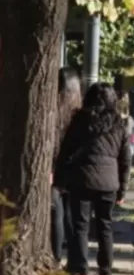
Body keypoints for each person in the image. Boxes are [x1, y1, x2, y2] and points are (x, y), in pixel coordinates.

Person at [55, 82, 131, 275]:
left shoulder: (80, 120)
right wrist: (122, 189)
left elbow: (66, 150)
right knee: (105, 227)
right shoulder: (119, 124)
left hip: (82, 179)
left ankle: (81, 272)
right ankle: (105, 274)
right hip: (109, 182)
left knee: (80, 226)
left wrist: (60, 179)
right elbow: (125, 160)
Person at [51, 68, 82, 265]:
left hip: (53, 170)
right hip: (75, 171)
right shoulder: (79, 114)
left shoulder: (50, 114)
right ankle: (76, 263)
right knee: (74, 217)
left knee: (57, 215)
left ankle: (55, 258)